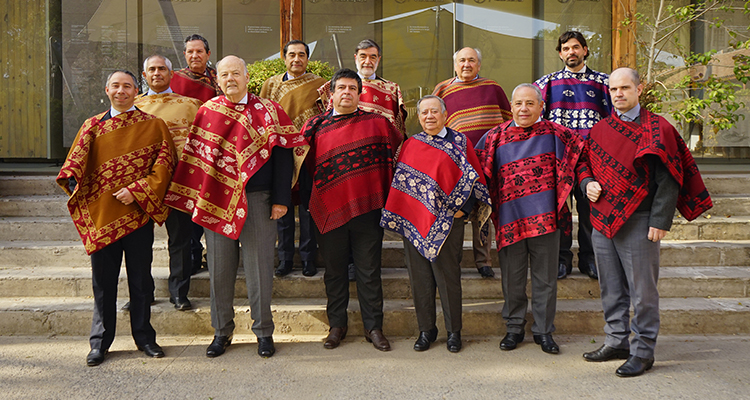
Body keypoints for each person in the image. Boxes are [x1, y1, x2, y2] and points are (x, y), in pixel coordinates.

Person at [164, 55, 306, 358]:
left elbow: (284, 156)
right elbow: (197, 159)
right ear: (218, 79)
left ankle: (263, 333)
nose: (230, 79)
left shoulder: (268, 110)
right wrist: (197, 200)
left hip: (260, 200)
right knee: (219, 269)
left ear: (246, 76)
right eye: (225, 74)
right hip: (217, 200)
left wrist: (281, 200)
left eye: (236, 73)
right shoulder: (208, 111)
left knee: (260, 269)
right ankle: (222, 331)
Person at [580, 68, 712, 377]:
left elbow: (671, 177)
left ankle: (643, 351)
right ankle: (616, 341)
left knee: (643, 292)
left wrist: (660, 219)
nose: (619, 94)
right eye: (613, 89)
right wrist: (586, 181)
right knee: (611, 288)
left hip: (640, 220)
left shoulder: (657, 128)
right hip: (602, 220)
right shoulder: (601, 129)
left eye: (625, 87)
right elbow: (584, 162)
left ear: (640, 89)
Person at [56, 70, 175, 366]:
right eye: (116, 86)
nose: (122, 91)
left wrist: (137, 191)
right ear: (106, 89)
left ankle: (145, 337)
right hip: (102, 217)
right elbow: (73, 168)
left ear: (138, 90)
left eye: (128, 86)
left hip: (137, 215)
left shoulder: (153, 125)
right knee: (103, 283)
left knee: (141, 282)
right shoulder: (92, 127)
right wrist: (86, 195)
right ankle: (99, 342)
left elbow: (165, 165)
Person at [476, 83, 585, 355]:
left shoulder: (558, 134)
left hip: (546, 219)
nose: (523, 109)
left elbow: (583, 155)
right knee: (512, 278)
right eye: (518, 103)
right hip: (509, 220)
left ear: (540, 107)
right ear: (511, 106)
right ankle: (514, 327)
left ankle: (544, 331)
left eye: (529, 104)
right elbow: (475, 169)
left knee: (545, 279)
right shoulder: (494, 137)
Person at [301, 68, 403, 352]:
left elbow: (396, 153)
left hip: (369, 210)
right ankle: (337, 326)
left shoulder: (378, 124)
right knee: (334, 271)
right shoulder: (314, 126)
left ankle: (374, 328)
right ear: (330, 94)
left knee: (369, 271)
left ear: (360, 94)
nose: (346, 93)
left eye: (352, 89)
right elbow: (302, 166)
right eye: (341, 88)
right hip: (329, 210)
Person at [381, 95, 491, 353]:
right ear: (418, 117)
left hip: (449, 223)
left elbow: (475, 178)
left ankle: (454, 332)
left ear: (444, 114)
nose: (429, 116)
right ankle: (426, 330)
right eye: (424, 113)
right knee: (419, 278)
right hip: (415, 221)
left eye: (434, 112)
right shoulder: (410, 144)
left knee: (448, 278)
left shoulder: (460, 142)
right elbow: (402, 183)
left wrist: (463, 210)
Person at [534, 31, 612, 280]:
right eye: (566, 48)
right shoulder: (545, 84)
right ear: (560, 53)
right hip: (559, 158)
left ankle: (590, 260)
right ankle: (561, 260)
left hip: (593, 160)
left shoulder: (604, 83)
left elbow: (614, 121)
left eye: (576, 47)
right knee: (560, 212)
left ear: (585, 50)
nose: (571, 52)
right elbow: (535, 122)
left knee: (591, 210)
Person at [432, 47, 512, 278]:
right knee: (454, 211)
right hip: (453, 163)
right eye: (462, 60)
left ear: (479, 65)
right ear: (455, 64)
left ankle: (483, 261)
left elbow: (506, 123)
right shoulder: (443, 89)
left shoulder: (493, 88)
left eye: (471, 60)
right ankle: (451, 260)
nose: (466, 64)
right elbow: (434, 122)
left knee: (483, 211)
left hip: (486, 162)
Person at [135, 54, 203, 311]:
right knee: (140, 242)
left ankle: (179, 292)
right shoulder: (136, 106)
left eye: (162, 69)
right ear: (144, 76)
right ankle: (142, 293)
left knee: (181, 240)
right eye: (151, 69)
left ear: (171, 73)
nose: (156, 73)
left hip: (179, 181)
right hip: (145, 184)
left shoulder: (191, 105)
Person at [260, 40, 327, 278]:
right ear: (284, 58)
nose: (296, 59)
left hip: (309, 152)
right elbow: (262, 117)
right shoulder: (270, 85)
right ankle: (285, 259)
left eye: (301, 55)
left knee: (309, 208)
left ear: (308, 59)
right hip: (280, 152)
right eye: (292, 55)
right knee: (282, 206)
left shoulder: (320, 85)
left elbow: (326, 117)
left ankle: (309, 258)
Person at [170, 34, 223, 273]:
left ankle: (215, 257)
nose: (195, 56)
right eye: (190, 52)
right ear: (184, 55)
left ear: (208, 54)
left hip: (213, 151)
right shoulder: (174, 80)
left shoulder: (218, 80)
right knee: (187, 207)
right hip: (183, 152)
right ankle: (192, 256)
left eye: (199, 51)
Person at [318, 39, 407, 135]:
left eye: (373, 57)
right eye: (363, 56)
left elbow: (397, 128)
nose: (367, 62)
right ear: (356, 58)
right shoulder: (336, 85)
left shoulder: (391, 89)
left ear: (379, 59)